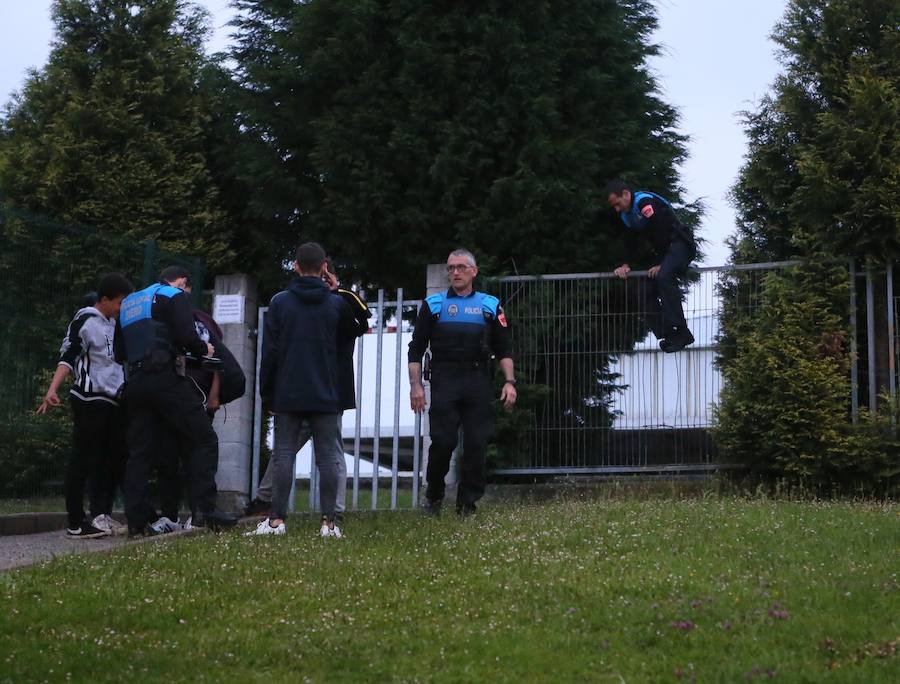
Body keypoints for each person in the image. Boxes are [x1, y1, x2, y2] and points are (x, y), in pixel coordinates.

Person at [115, 268, 238, 535]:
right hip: (164, 378)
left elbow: (119, 352)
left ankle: (136, 522)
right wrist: (203, 348)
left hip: (135, 383)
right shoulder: (173, 295)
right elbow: (186, 336)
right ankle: (206, 510)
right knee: (203, 437)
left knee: (140, 453)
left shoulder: (129, 303)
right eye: (187, 290)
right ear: (183, 283)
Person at [245, 259, 370, 520]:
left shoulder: (338, 302)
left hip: (323, 389)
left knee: (316, 452)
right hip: (317, 391)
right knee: (296, 452)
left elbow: (361, 321)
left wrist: (338, 292)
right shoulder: (302, 303)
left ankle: (322, 510)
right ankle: (273, 502)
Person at [408, 248, 517, 517]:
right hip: (445, 379)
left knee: (477, 443)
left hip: (478, 379)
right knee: (443, 442)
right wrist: (416, 386)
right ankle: (433, 496)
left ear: (473, 272)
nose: (455, 272)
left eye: (460, 267)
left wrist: (510, 382)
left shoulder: (490, 305)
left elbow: (504, 349)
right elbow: (416, 349)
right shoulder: (433, 305)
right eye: (451, 268)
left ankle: (467, 504)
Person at [37, 273, 134, 538]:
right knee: (82, 459)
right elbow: (69, 355)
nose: (122, 307)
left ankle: (101, 515)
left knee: (113, 460)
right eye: (120, 302)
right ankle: (76, 521)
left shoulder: (115, 325)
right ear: (104, 300)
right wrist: (52, 388)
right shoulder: (86, 320)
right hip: (90, 400)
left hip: (114, 401)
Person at [606, 179, 697, 352]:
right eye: (614, 207)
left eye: (618, 204)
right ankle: (670, 334)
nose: (617, 209)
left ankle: (680, 330)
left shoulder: (644, 202)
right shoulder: (627, 215)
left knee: (664, 276)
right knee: (641, 290)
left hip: (680, 244)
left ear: (625, 194)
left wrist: (660, 263)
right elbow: (629, 242)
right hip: (663, 251)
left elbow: (661, 231)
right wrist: (625, 264)